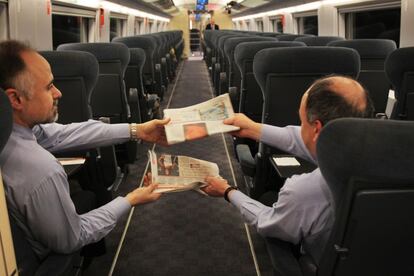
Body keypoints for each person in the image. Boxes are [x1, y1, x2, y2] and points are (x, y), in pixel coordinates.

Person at [0, 40, 169, 261]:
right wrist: (130, 200)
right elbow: (73, 237)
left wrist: (137, 130)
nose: (58, 93)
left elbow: (64, 134)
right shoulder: (42, 171)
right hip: (39, 261)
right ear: (15, 99)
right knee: (89, 196)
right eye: (49, 86)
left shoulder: (11, 133)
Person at [201, 76, 374, 273]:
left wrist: (228, 191)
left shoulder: (304, 191)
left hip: (320, 266)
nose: (300, 130)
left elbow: (268, 222)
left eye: (302, 122)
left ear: (317, 129)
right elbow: (303, 139)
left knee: (268, 199)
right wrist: (253, 128)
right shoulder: (396, 154)